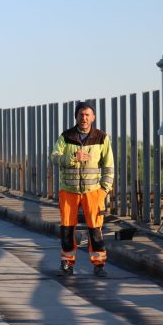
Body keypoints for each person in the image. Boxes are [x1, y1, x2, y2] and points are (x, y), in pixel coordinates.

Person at [50, 101, 114, 277]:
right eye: (81, 115)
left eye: (87, 115)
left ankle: (99, 264)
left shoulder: (102, 138)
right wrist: (73, 157)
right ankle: (67, 263)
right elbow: (54, 158)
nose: (84, 118)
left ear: (93, 117)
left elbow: (109, 167)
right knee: (67, 230)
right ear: (76, 117)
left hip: (93, 192)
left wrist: (104, 190)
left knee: (95, 230)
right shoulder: (66, 137)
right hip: (68, 191)